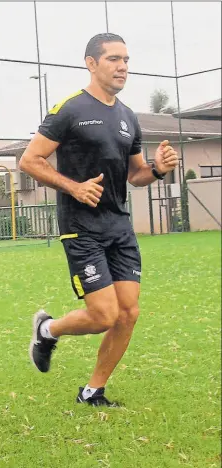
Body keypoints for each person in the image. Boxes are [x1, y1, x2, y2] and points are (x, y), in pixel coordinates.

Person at [19, 33, 179, 407]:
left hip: (118, 226)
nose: (122, 66)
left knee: (128, 313)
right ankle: (48, 329)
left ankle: (93, 391)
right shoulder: (69, 110)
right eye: (113, 59)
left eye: (126, 59)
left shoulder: (127, 117)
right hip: (82, 227)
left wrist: (158, 169)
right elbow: (29, 161)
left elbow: (135, 174)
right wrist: (73, 187)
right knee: (104, 314)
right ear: (91, 63)